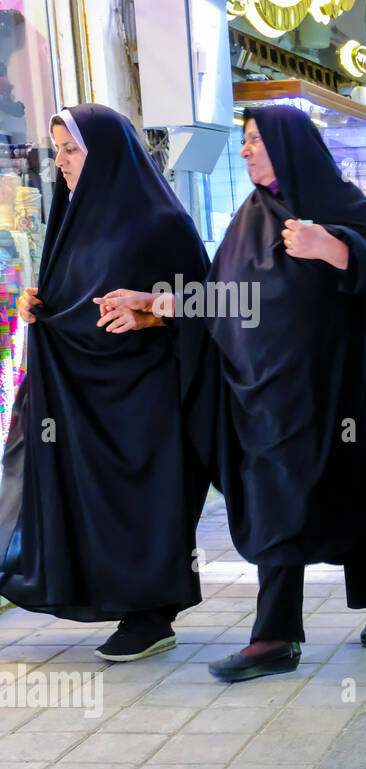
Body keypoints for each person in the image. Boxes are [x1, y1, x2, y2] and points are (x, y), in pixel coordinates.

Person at [100, 105, 366, 683]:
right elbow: (221, 299)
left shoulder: (343, 208)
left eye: (255, 140)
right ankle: (274, 636)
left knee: (359, 491)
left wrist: (335, 249)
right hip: (268, 398)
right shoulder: (249, 219)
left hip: (343, 391)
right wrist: (153, 304)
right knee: (276, 499)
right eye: (245, 141)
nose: (245, 150)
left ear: (288, 145)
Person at [0, 105, 208, 662]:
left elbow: (210, 305)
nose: (62, 163)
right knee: (88, 502)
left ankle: (151, 615)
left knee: (147, 506)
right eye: (58, 151)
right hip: (83, 397)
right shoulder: (75, 218)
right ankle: (83, 588)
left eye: (73, 150)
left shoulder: (160, 223)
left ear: (107, 154)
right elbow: (74, 296)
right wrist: (40, 307)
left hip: (145, 400)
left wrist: (152, 313)